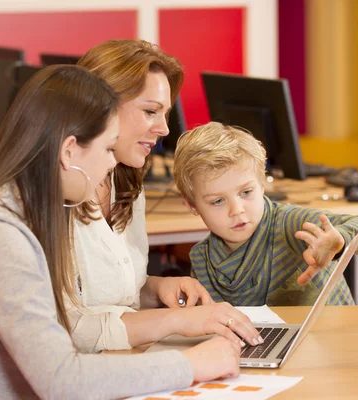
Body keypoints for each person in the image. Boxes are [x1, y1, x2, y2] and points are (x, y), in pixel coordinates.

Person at [0, 65, 242, 399]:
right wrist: (191, 364)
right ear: (69, 152)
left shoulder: (15, 211)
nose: (110, 164)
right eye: (106, 148)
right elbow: (62, 380)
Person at [67, 39, 263, 353]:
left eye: (165, 114)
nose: (164, 129)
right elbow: (63, 329)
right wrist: (175, 322)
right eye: (150, 112)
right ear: (98, 106)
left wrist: (157, 289)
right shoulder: (50, 198)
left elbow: (111, 294)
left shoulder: (126, 182)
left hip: (122, 360)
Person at [172, 122, 358, 306]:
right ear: (191, 204)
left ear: (263, 185)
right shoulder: (202, 261)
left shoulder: (288, 224)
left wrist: (341, 240)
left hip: (334, 342)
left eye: (246, 192)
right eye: (218, 201)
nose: (237, 210)